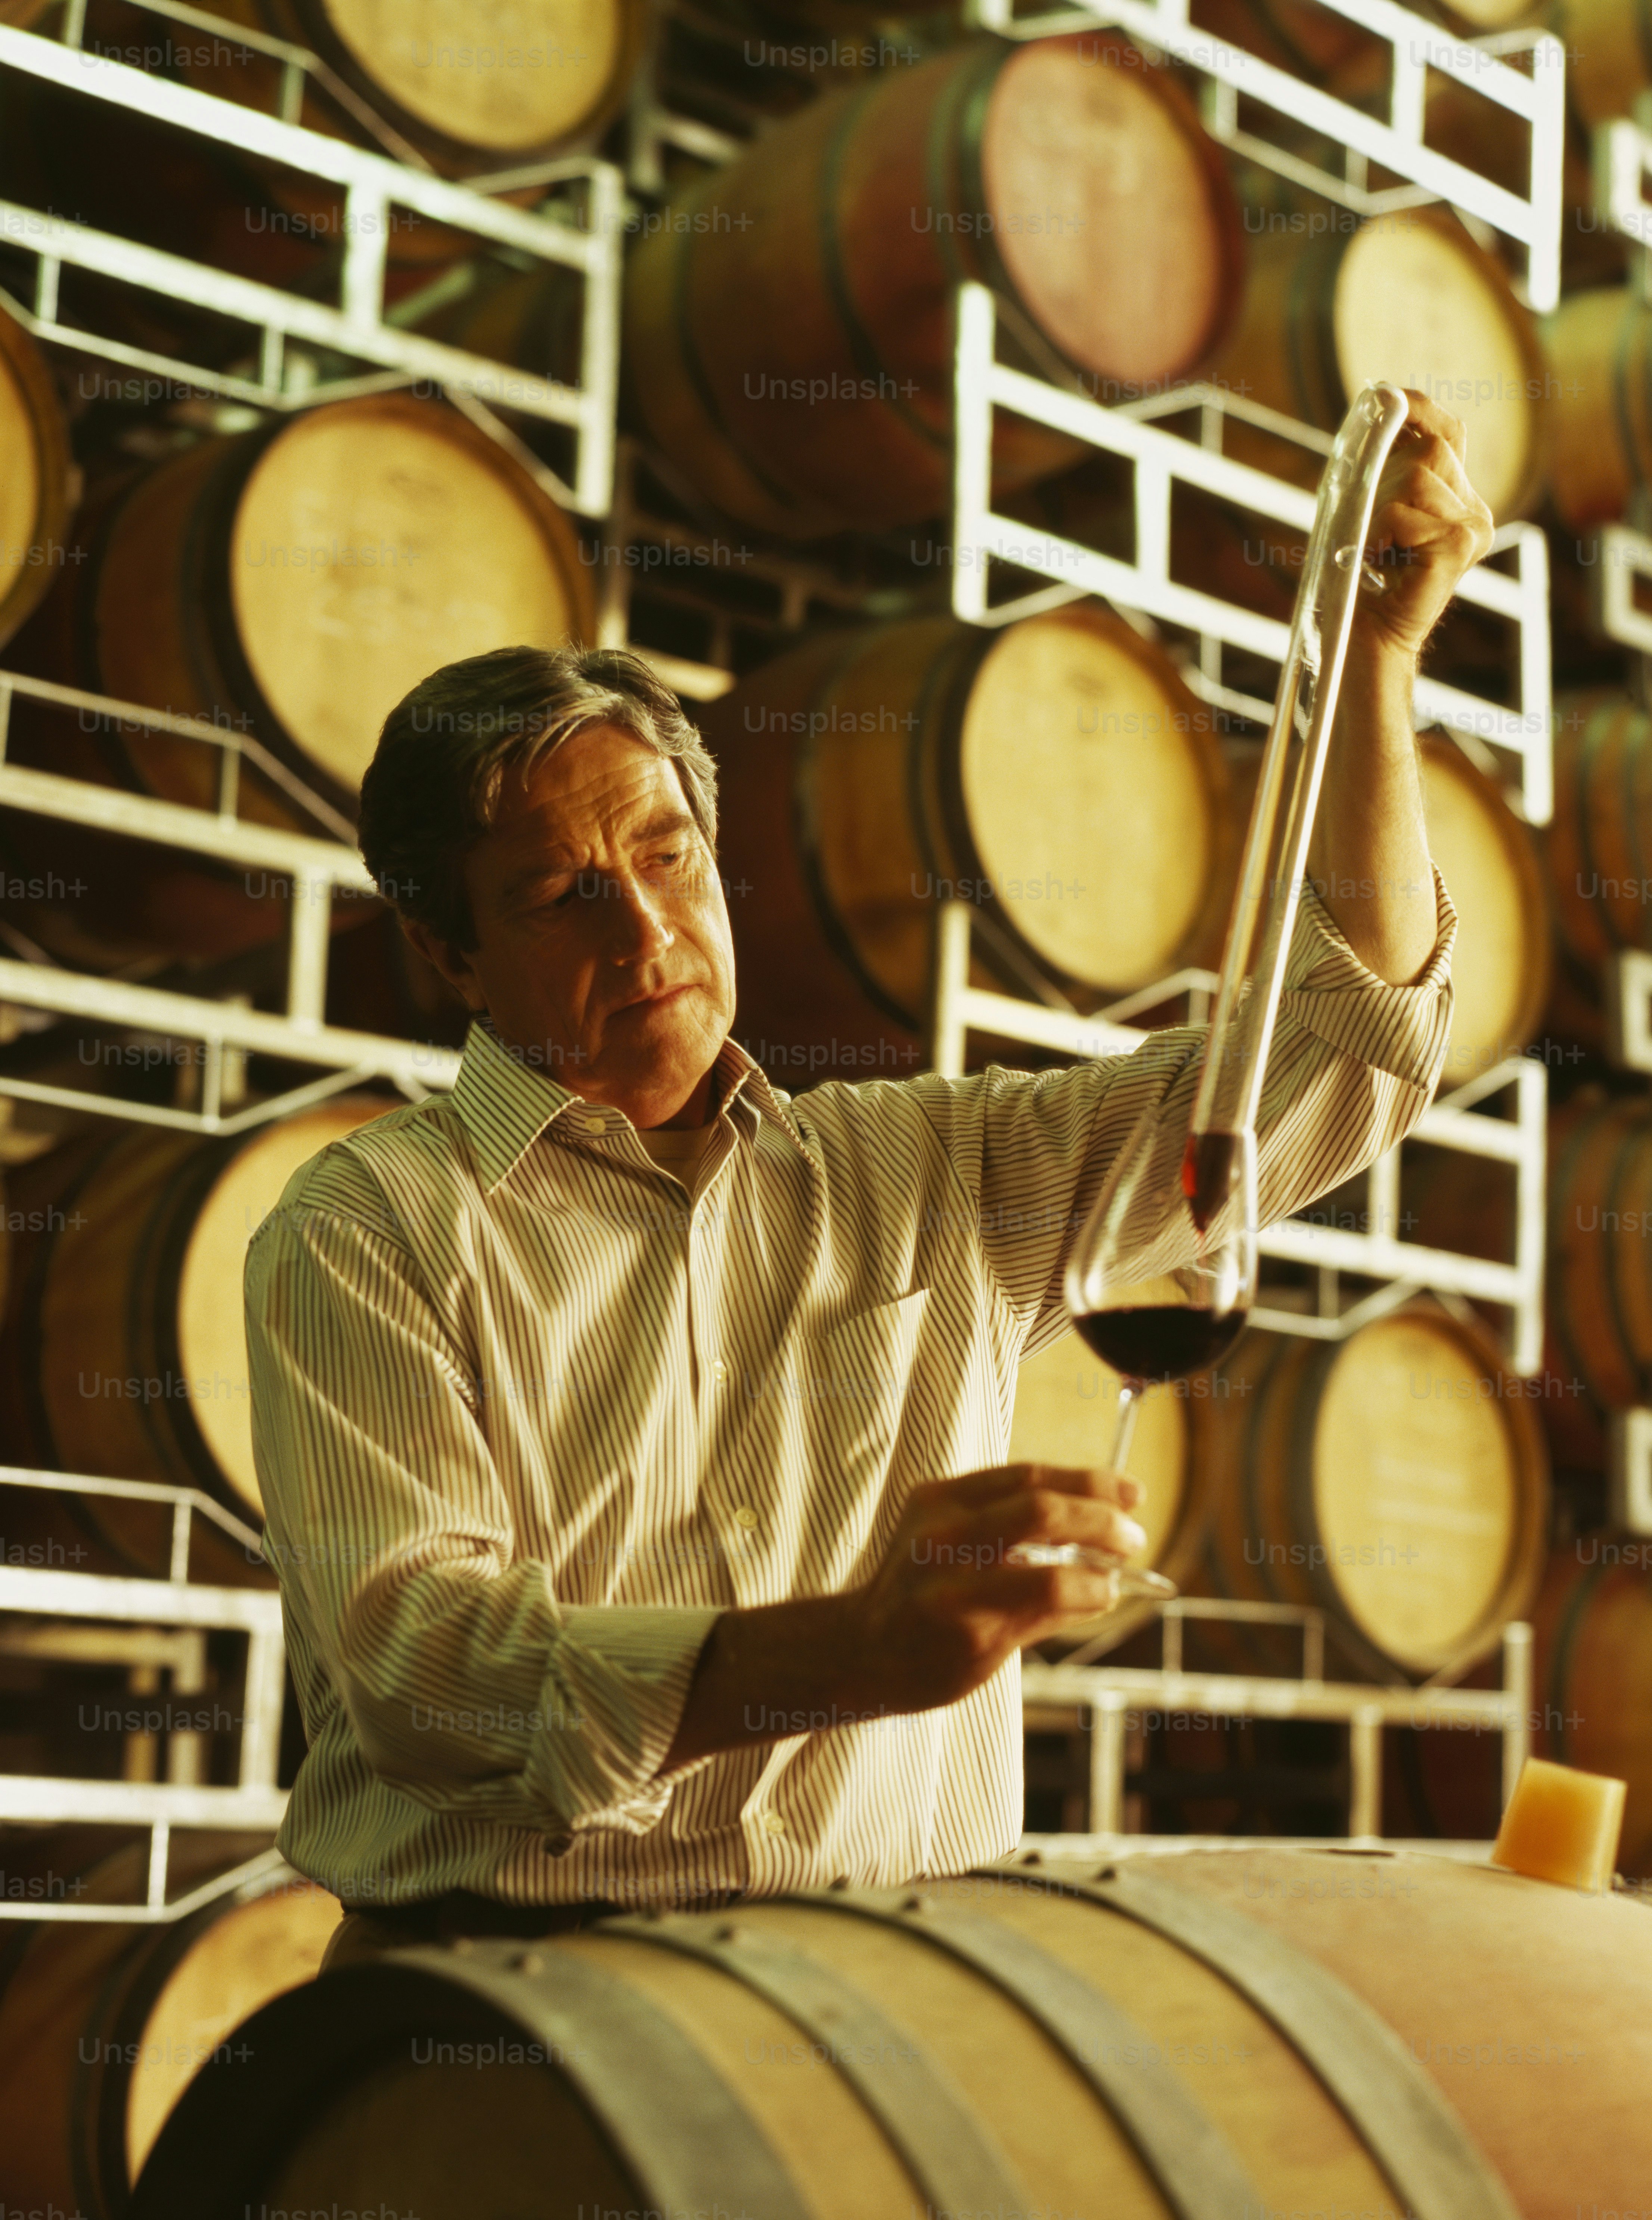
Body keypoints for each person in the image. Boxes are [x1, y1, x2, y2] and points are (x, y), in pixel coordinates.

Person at [246, 391, 1488, 1970]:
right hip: (509, 2001)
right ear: (447, 949)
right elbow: (424, 1678)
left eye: (666, 855)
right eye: (565, 893)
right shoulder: (366, 1230)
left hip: (889, 2001)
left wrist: (1371, 667)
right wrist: (850, 1651)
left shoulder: (926, 1169)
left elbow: (1330, 1066)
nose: (646, 934)